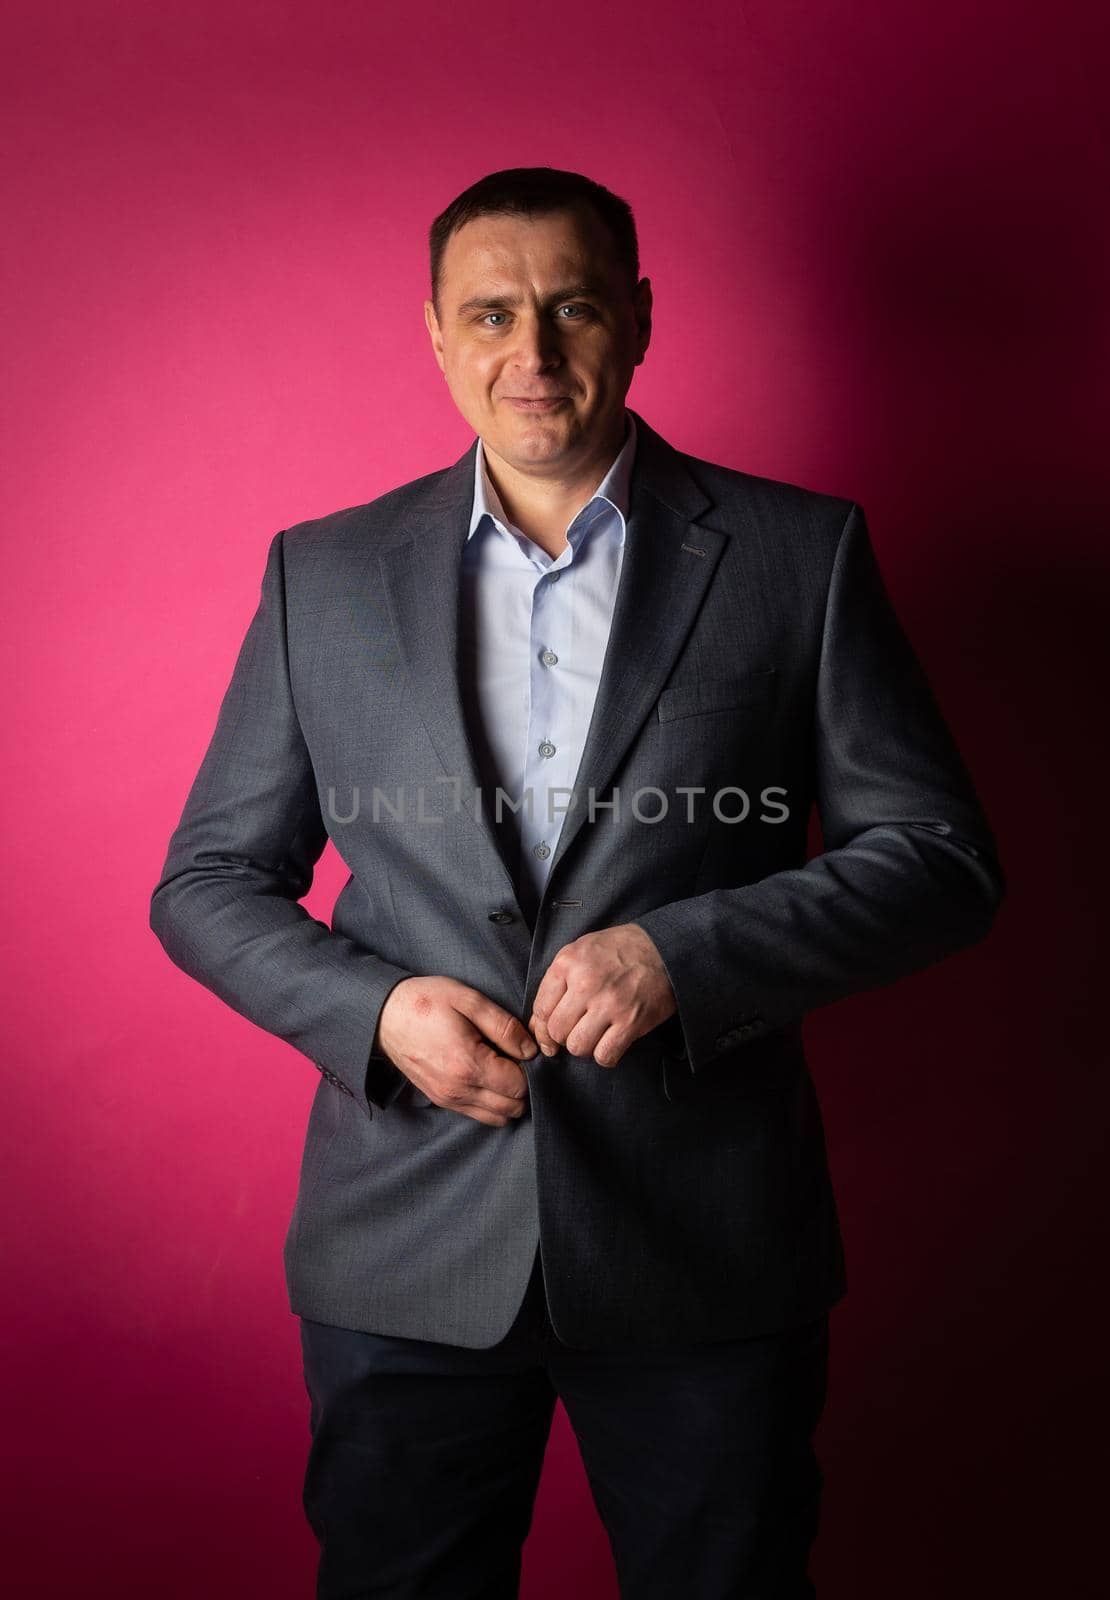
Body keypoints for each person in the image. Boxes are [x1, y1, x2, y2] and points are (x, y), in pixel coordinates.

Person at [149, 165, 1005, 1599]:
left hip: (705, 1251)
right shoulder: (323, 574)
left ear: (639, 320)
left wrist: (689, 956)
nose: (530, 355)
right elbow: (210, 879)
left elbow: (937, 860)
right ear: (434, 332)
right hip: (401, 1248)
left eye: (572, 308)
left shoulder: (802, 557)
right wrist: (375, 1017)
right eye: (489, 314)